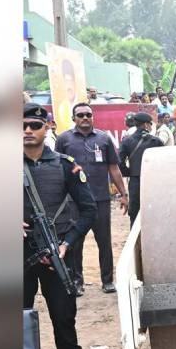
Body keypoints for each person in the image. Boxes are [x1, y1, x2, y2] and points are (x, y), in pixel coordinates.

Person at [23, 103, 96, 349]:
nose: (27, 131)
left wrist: (68, 242)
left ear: (47, 127)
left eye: (34, 125)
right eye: (23, 126)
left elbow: (89, 210)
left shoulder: (65, 165)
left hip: (56, 255)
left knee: (63, 320)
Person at [56, 102, 129, 295]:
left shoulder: (104, 139)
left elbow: (113, 168)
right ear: (74, 119)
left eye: (88, 114)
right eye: (80, 115)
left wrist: (124, 194)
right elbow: (58, 169)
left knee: (104, 241)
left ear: (93, 117)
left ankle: (107, 281)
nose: (85, 118)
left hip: (100, 199)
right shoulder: (64, 139)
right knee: (74, 242)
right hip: (74, 201)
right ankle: (77, 282)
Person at [118, 112, 164, 225]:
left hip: (135, 181)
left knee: (134, 211)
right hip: (152, 181)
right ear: (146, 125)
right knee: (153, 209)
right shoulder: (156, 141)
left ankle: (136, 240)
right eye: (150, 124)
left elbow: (120, 162)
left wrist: (129, 173)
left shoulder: (127, 141)